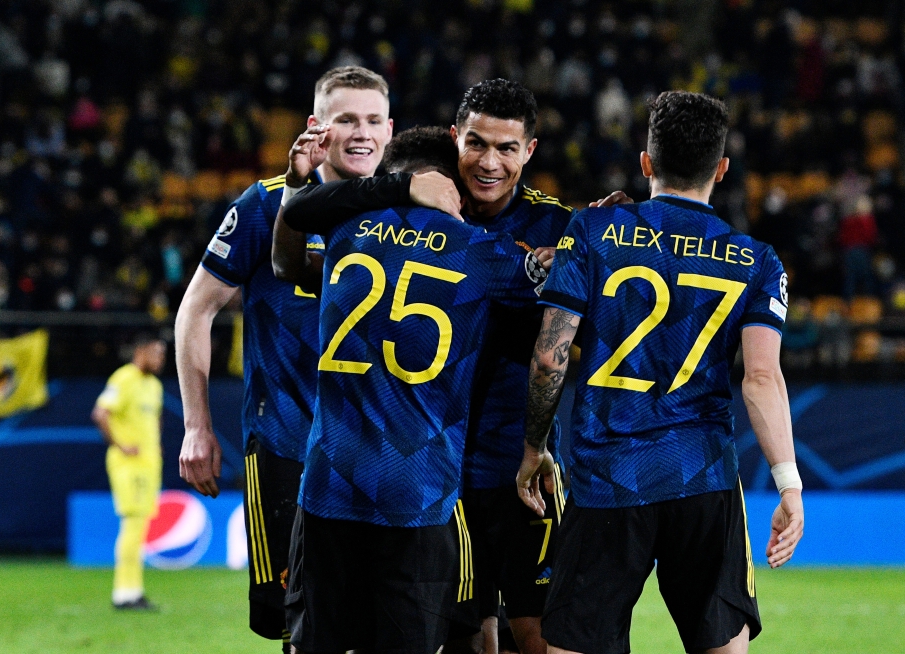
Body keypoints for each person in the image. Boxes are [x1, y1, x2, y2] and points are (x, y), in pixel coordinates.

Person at [281, 79, 619, 654]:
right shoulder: (480, 248)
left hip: (497, 468)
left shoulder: (355, 224)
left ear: (529, 152)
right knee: (464, 638)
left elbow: (298, 224)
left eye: (506, 149)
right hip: (431, 479)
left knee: (533, 631)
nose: (489, 163)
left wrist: (601, 241)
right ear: (453, 139)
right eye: (476, 144)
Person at [518, 91, 805, 654]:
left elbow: (551, 356)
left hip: (606, 477)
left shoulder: (592, 231)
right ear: (721, 169)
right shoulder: (757, 260)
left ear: (646, 162)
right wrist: (788, 483)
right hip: (701, 478)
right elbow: (761, 379)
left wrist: (534, 446)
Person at [174, 66, 393, 650]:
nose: (361, 133)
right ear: (316, 126)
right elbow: (196, 309)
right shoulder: (265, 204)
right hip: (286, 445)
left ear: (390, 130)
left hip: (386, 452)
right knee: (303, 629)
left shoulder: (407, 215)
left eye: (373, 120)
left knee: (391, 625)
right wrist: (196, 425)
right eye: (347, 119)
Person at [91, 334, 166, 611]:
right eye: (155, 353)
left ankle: (134, 590)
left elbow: (155, 418)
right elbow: (100, 414)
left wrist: (156, 444)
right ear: (140, 351)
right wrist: (121, 445)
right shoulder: (123, 378)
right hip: (129, 464)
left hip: (149, 464)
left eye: (162, 354)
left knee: (140, 526)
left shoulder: (154, 386)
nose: (160, 359)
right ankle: (124, 593)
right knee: (132, 524)